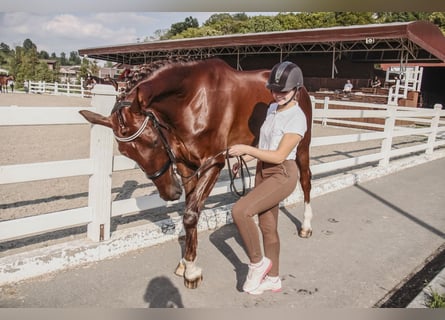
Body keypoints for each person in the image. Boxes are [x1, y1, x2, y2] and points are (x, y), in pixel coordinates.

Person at [227, 61, 307, 295]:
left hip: (282, 172)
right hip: (263, 170)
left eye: (283, 91)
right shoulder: (272, 109)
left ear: (296, 90)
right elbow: (265, 146)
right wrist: (245, 161)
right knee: (267, 226)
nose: (277, 95)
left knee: (240, 211)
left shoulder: (297, 118)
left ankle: (257, 263)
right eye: (274, 90)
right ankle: (273, 278)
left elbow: (280, 154)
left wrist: (246, 149)